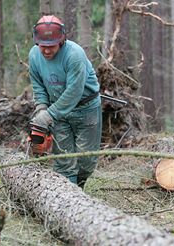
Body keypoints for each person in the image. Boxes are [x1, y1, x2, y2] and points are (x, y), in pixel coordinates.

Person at [28, 15, 102, 189]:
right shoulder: (34, 56)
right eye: (42, 46)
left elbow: (73, 92)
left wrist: (49, 116)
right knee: (63, 160)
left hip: (86, 109)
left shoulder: (74, 55)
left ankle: (80, 185)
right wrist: (41, 109)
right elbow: (38, 85)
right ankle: (69, 196)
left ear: (61, 41)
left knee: (86, 159)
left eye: (51, 46)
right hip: (58, 111)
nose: (46, 51)